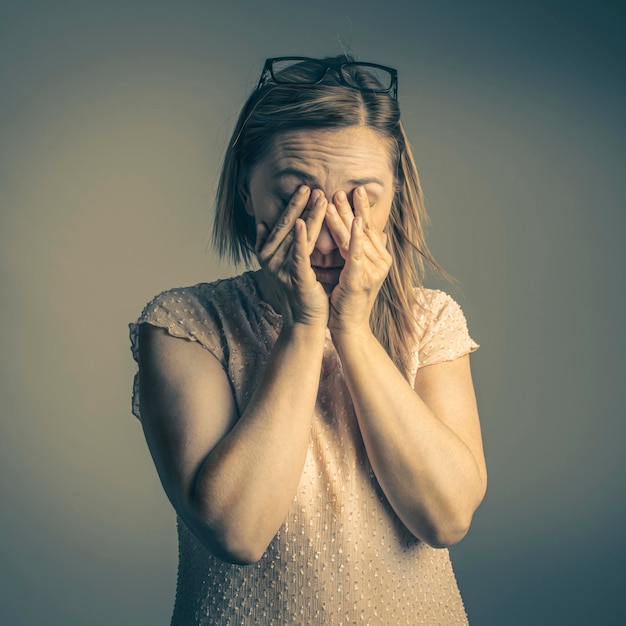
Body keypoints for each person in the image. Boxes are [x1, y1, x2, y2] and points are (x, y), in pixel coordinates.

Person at [129, 55, 487, 625]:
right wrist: (302, 327)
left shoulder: (431, 319)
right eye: (297, 197)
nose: (328, 234)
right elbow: (237, 532)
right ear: (247, 194)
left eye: (361, 199)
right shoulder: (184, 325)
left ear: (395, 198)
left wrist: (349, 330)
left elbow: (445, 519)